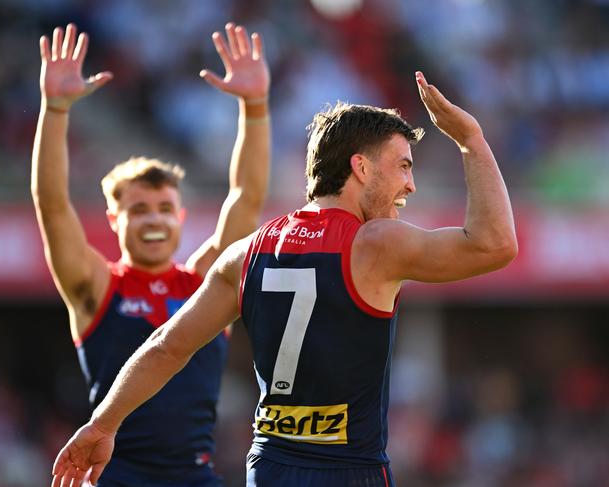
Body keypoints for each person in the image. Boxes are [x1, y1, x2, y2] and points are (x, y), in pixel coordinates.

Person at [51, 71, 518, 487]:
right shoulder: (376, 244)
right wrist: (471, 141)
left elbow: (167, 346)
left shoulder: (247, 251)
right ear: (360, 167)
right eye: (403, 165)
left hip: (270, 468)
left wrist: (102, 425)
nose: (410, 185)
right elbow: (494, 243)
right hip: (347, 469)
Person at [32, 22, 270, 487]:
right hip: (115, 475)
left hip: (196, 478)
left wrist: (255, 107)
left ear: (181, 218)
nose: (153, 219)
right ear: (114, 220)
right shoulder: (96, 286)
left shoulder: (206, 282)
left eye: (164, 208)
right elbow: (52, 202)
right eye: (138, 209)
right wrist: (55, 109)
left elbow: (246, 196)